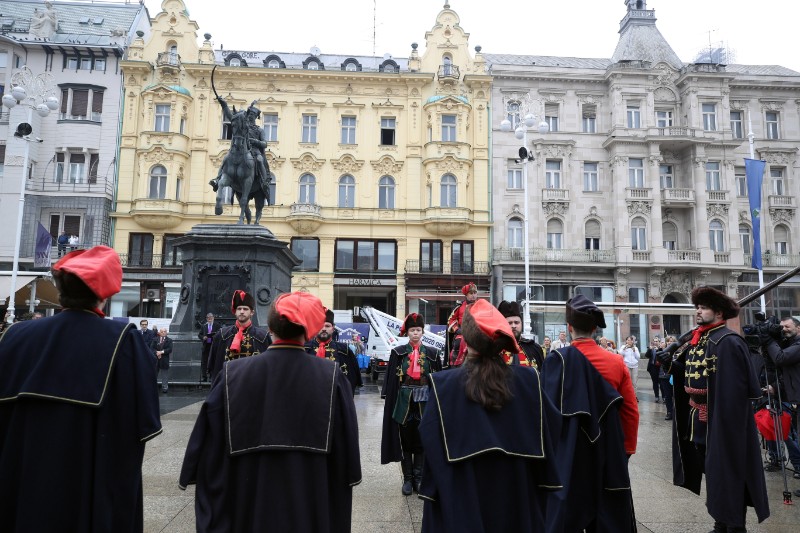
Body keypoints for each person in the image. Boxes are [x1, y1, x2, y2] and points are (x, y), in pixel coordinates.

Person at [0, 246, 162, 531]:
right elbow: (143, 422)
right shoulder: (123, 340)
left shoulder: (14, 336)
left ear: (60, 288)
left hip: (19, 481)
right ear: (105, 293)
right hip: (87, 484)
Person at [179, 292, 361, 532]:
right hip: (309, 497)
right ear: (310, 330)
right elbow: (347, 450)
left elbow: (208, 443)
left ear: (270, 326)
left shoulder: (232, 373)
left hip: (246, 497)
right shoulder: (332, 377)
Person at [418, 299, 561, 531]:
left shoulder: (444, 385)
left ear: (468, 339)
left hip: (463, 488)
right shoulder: (528, 380)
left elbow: (430, 438)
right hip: (517, 487)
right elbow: (552, 427)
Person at [657, 286, 769, 532]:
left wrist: (724, 422)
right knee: (716, 475)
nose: (698, 311)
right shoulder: (703, 338)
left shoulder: (728, 342)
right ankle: (722, 521)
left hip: (722, 420)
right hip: (700, 418)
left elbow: (737, 390)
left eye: (703, 307)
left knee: (729, 473)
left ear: (718, 313)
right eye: (697, 307)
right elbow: (693, 373)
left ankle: (734, 525)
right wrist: (672, 364)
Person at [541, 294, 638, 532]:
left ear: (569, 327)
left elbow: (546, 409)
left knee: (567, 512)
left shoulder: (557, 360)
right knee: (606, 512)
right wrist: (626, 448)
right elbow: (630, 410)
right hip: (606, 444)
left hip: (569, 449)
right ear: (595, 328)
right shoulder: (616, 362)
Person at [380, 313, 441, 495]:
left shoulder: (432, 354)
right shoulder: (398, 353)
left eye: (418, 330)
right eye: (412, 330)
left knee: (422, 439)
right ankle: (407, 478)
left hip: (425, 401)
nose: (415, 333)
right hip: (404, 401)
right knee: (405, 439)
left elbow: (438, 380)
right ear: (407, 333)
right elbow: (391, 380)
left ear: (423, 332)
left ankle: (419, 477)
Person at [759, 316, 800, 490]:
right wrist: (775, 387)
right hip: (795, 399)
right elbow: (785, 373)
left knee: (792, 436)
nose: (783, 329)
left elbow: (781, 359)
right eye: (781, 327)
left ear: (798, 327)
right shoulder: (790, 344)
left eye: (787, 326)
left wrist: (769, 340)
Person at [208, 99, 271, 203]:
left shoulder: (260, 130)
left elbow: (265, 144)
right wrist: (223, 105)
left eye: (253, 115)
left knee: (260, 160)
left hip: (255, 152)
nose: (251, 116)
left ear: (256, 117)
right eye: (250, 114)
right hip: (240, 149)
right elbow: (230, 116)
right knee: (226, 158)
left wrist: (255, 141)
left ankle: (264, 182)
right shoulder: (243, 124)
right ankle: (217, 179)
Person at [208, 290, 270, 380]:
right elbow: (213, 365)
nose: (242, 311)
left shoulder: (262, 337)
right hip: (227, 384)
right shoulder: (222, 335)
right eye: (239, 309)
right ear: (235, 311)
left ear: (252, 312)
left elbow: (268, 367)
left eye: (245, 309)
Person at [305, 310, 362, 395]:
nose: (324, 329)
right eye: (320, 326)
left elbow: (352, 379)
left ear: (333, 328)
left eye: (327, 326)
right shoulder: (305, 349)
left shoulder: (344, 350)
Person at [497, 300, 543, 368]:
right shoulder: (495, 349)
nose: (513, 326)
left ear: (521, 324)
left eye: (516, 322)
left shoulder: (534, 348)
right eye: (509, 323)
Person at [445, 282, 479, 367]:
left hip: (476, 335)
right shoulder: (459, 307)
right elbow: (451, 320)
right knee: (457, 346)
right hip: (461, 336)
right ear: (466, 295)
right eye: (471, 293)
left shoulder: (481, 306)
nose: (473, 295)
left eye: (475, 293)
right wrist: (457, 330)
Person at [197, 313, 221, 382]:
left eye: (211, 317)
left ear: (213, 318)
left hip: (213, 346)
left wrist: (215, 336)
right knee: (204, 362)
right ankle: (204, 377)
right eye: (208, 317)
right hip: (206, 346)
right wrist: (203, 337)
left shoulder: (217, 325)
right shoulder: (204, 326)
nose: (209, 318)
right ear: (206, 319)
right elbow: (199, 334)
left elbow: (220, 334)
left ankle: (211, 376)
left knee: (212, 361)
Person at [151, 327, 173, 393]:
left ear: (167, 332)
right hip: (156, 359)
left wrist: (161, 352)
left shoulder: (169, 340)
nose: (163, 333)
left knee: (164, 374)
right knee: (154, 373)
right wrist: (157, 353)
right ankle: (153, 387)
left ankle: (165, 387)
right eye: (162, 331)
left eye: (165, 331)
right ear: (159, 333)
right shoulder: (155, 339)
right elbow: (151, 348)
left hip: (164, 359)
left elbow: (170, 349)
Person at [659, 336, 675, 420]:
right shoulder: (663, 351)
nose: (670, 342)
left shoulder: (678, 351)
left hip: (675, 376)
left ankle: (676, 412)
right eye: (668, 341)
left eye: (672, 341)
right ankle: (669, 412)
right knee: (668, 396)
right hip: (665, 376)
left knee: (675, 395)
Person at [645, 336, 662, 402]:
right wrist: (649, 349)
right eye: (654, 341)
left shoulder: (661, 348)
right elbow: (647, 356)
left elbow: (662, 355)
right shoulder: (651, 349)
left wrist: (658, 349)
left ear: (659, 342)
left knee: (661, 383)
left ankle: (663, 396)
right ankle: (656, 396)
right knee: (655, 383)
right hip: (652, 368)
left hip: (660, 368)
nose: (655, 342)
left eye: (656, 341)